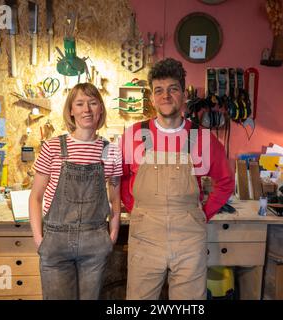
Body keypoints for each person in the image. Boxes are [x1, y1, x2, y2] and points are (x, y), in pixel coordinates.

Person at [121, 58, 234, 300]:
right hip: (145, 236)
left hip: (188, 238)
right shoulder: (133, 135)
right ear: (151, 98)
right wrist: (137, 210)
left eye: (173, 89)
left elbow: (225, 182)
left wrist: (203, 212)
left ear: (184, 94)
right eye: (159, 90)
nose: (166, 96)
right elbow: (120, 177)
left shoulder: (203, 138)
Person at [29, 83, 122, 300]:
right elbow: (35, 197)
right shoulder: (52, 147)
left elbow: (115, 198)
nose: (86, 110)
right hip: (56, 242)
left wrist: (113, 235)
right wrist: (38, 239)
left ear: (100, 108)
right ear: (71, 110)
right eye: (79, 104)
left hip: (95, 240)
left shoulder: (110, 150)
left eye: (92, 103)